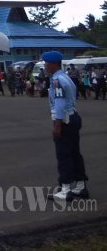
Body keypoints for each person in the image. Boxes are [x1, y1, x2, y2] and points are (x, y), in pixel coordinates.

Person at [43, 51, 88, 201]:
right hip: (73, 117)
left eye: (46, 63)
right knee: (75, 154)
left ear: (53, 64)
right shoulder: (65, 77)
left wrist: (57, 125)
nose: (45, 66)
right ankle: (80, 187)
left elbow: (60, 102)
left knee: (63, 156)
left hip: (64, 121)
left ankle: (66, 189)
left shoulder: (57, 80)